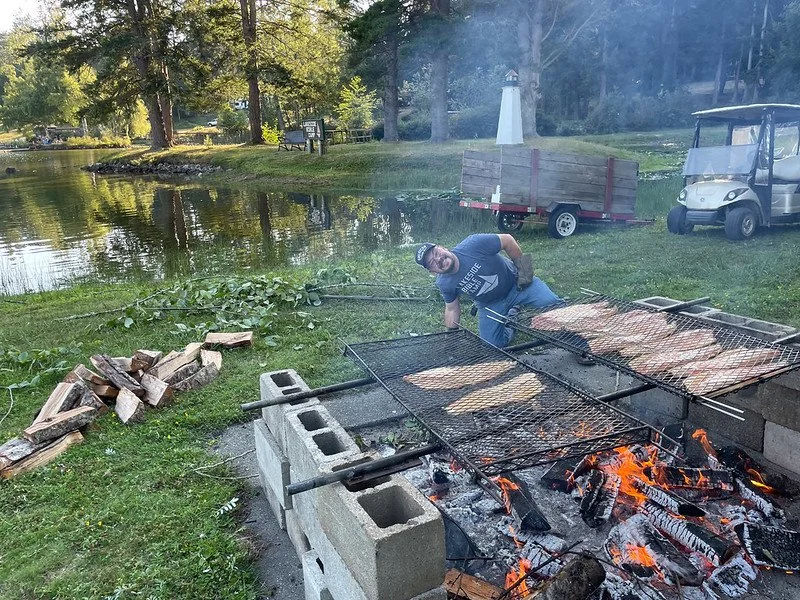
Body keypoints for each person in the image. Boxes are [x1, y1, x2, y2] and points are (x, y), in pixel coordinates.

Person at [415, 233, 561, 347]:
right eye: (432, 262)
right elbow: (452, 309)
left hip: (517, 285)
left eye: (436, 253)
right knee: (492, 345)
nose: (438, 259)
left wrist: (525, 272)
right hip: (490, 305)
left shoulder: (473, 244)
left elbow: (507, 240)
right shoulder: (444, 283)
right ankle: (511, 318)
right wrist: (451, 333)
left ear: (443, 247)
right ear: (432, 271)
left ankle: (578, 336)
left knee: (553, 304)